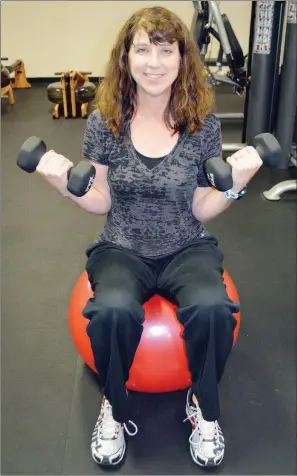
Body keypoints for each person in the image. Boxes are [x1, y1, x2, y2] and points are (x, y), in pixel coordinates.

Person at [37, 6, 262, 469]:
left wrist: (238, 183)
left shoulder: (202, 125)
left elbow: (202, 206)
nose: (154, 62)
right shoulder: (106, 121)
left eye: (165, 50)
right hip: (122, 246)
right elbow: (99, 198)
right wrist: (57, 178)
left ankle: (205, 409)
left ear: (182, 59)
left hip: (186, 245)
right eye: (143, 50)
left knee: (215, 309)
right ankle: (114, 410)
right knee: (112, 310)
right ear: (126, 57)